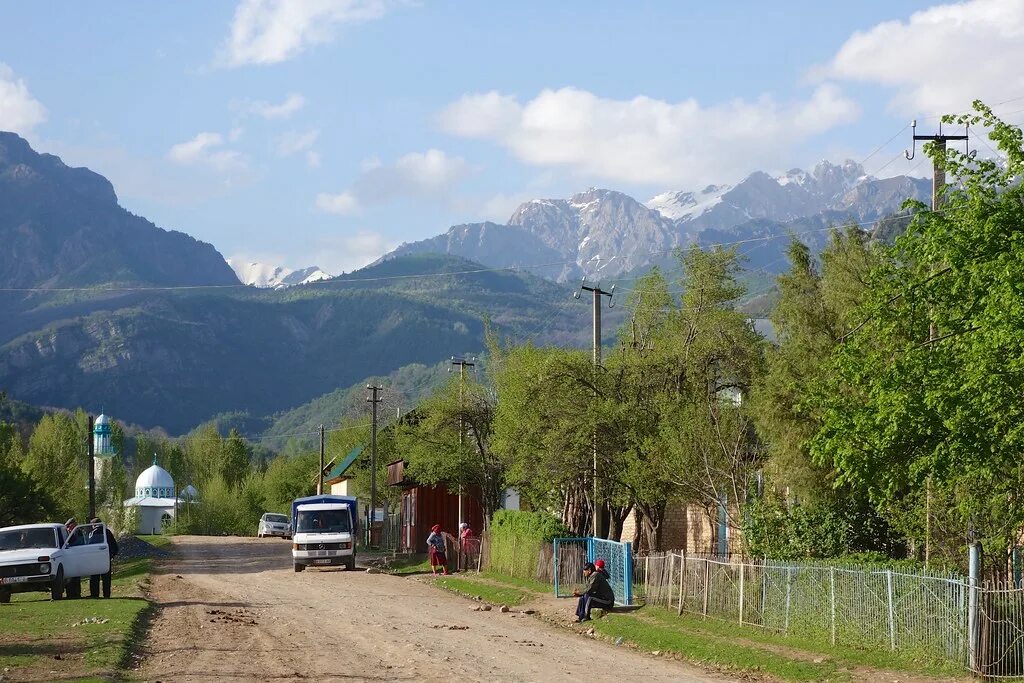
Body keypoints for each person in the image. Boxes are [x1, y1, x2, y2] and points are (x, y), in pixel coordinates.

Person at [87, 518, 119, 599]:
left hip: (95, 559)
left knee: (94, 578)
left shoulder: (92, 533)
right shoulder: (107, 532)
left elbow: (89, 546)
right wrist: (111, 556)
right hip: (106, 558)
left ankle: (94, 594)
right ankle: (106, 595)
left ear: (94, 525)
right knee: (106, 578)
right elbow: (115, 546)